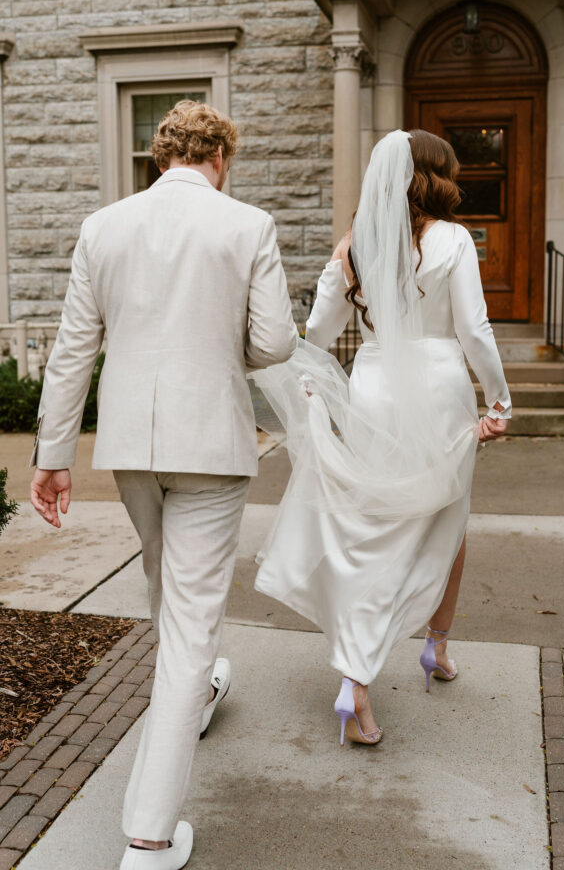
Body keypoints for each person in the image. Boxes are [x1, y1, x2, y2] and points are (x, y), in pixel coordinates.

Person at [29, 100, 298, 869]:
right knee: (185, 623)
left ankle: (201, 687)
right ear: (221, 158)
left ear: (161, 158)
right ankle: (148, 835)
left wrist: (53, 456)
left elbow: (72, 349)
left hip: (130, 447)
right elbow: (274, 341)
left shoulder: (103, 226)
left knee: (167, 591)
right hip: (210, 442)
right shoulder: (247, 225)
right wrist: (221, 347)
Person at [250, 129, 510, 745]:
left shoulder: (355, 246)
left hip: (372, 391)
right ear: (438, 175)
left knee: (379, 524)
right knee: (445, 518)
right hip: (440, 388)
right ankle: (378, 669)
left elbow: (315, 331)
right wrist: (499, 397)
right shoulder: (454, 240)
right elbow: (473, 328)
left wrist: (309, 383)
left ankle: (425, 653)